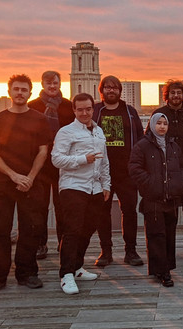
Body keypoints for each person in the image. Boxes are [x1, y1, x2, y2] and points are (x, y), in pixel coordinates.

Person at [0, 74, 51, 293]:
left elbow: (43, 151)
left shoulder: (39, 119)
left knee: (31, 229)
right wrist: (13, 175)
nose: (20, 93)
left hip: (31, 184)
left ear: (30, 93)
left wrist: (29, 177)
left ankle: (27, 273)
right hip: (3, 183)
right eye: (16, 89)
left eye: (24, 89)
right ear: (9, 92)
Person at [51, 93, 110, 295]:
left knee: (88, 229)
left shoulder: (99, 132)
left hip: (94, 188)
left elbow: (104, 161)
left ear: (92, 109)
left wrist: (106, 185)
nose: (85, 113)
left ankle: (76, 267)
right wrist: (83, 159)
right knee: (72, 230)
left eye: (88, 109)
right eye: (80, 109)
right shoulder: (66, 132)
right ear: (74, 110)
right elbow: (56, 159)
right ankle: (66, 274)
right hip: (73, 186)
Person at [129, 112, 183, 287]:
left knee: (170, 234)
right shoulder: (143, 146)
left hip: (171, 198)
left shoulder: (173, 146)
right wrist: (150, 183)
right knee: (156, 235)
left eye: (165, 123)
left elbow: (182, 168)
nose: (162, 126)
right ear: (152, 125)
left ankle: (167, 267)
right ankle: (161, 271)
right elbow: (134, 168)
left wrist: (181, 184)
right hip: (152, 199)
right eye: (159, 123)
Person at [92, 75, 145, 267]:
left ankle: (130, 251)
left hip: (127, 172)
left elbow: (140, 139)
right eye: (107, 87)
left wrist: (138, 165)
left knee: (129, 211)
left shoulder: (130, 112)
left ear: (120, 91)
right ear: (102, 90)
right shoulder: (96, 111)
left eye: (114, 87)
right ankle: (106, 251)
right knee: (102, 212)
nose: (111, 90)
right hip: (101, 172)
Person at [28, 70, 75, 259]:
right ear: (42, 85)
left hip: (62, 163)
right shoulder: (32, 107)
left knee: (62, 205)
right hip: (39, 164)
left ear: (60, 84)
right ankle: (41, 243)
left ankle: (63, 242)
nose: (52, 86)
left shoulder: (68, 106)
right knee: (39, 205)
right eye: (48, 84)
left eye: (55, 83)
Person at [152, 80, 183, 251]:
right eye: (172, 93)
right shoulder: (159, 114)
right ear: (167, 95)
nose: (176, 96)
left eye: (179, 92)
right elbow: (149, 138)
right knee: (169, 203)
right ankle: (167, 236)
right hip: (166, 165)